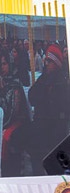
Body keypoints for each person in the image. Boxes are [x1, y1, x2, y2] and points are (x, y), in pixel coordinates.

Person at [28, 43, 70, 175]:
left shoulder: (62, 82)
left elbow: (62, 107)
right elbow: (32, 96)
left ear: (57, 63)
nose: (46, 63)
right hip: (41, 127)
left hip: (56, 129)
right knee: (35, 153)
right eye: (46, 60)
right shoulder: (43, 79)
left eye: (49, 61)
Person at [0, 53, 31, 176]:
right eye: (0, 64)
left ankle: (11, 171)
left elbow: (14, 112)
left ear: (10, 65)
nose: (1, 67)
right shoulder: (0, 82)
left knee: (5, 137)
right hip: (4, 121)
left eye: (4, 64)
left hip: (16, 123)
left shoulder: (15, 85)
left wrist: (3, 126)